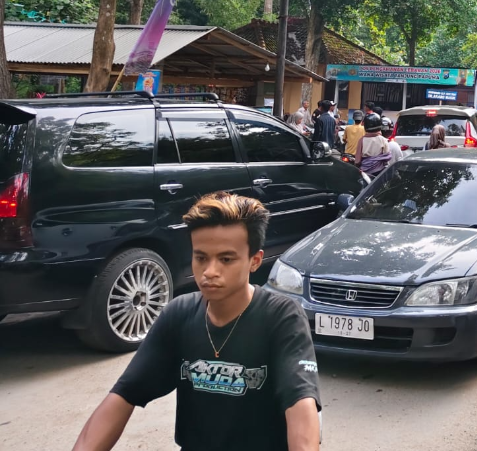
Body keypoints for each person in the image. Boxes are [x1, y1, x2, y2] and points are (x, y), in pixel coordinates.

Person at [72, 193, 321, 451]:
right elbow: (123, 395)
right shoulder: (178, 314)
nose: (210, 272)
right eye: (201, 258)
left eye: (226, 259)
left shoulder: (281, 317)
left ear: (254, 261)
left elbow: (301, 406)